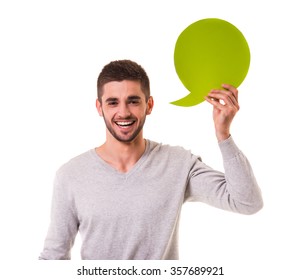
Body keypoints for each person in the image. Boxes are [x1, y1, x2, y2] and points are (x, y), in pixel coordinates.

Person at [39, 59, 263, 260]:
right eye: (113, 102)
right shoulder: (71, 175)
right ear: (100, 107)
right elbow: (53, 257)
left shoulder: (178, 164)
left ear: (149, 105)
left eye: (133, 101)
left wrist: (223, 133)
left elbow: (247, 202)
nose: (124, 112)